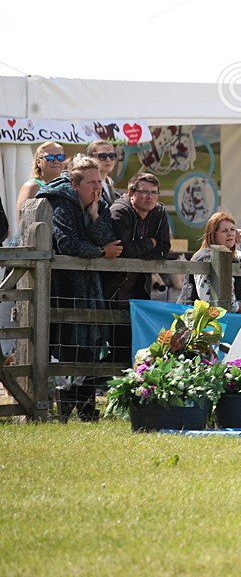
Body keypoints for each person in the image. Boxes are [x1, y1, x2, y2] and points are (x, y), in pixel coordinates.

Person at [37, 156, 123, 420]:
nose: (97, 187)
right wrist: (99, 251)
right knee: (65, 342)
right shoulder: (61, 202)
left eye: (99, 181)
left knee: (92, 340)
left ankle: (85, 408)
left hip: (89, 284)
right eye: (90, 183)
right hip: (56, 284)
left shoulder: (101, 204)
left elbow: (111, 240)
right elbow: (67, 244)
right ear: (75, 185)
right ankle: (62, 406)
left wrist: (95, 215)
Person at [104, 173, 172, 303]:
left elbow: (163, 251)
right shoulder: (119, 212)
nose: (150, 197)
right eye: (144, 192)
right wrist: (150, 243)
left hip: (139, 287)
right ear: (130, 193)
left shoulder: (159, 212)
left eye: (154, 192)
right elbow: (121, 251)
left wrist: (135, 249)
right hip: (112, 286)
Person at [188, 212, 241, 308]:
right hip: (203, 318)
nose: (230, 234)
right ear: (213, 234)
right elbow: (207, 298)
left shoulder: (235, 255)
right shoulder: (204, 258)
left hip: (232, 315)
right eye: (225, 231)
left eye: (233, 229)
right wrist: (240, 307)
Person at [16, 141, 67, 216]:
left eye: (60, 157)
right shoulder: (32, 186)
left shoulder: (66, 185)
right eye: (50, 158)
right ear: (38, 162)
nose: (56, 161)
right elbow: (23, 219)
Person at [86, 139, 122, 204]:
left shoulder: (110, 185)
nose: (108, 160)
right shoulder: (87, 185)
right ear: (91, 158)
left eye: (111, 156)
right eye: (102, 156)